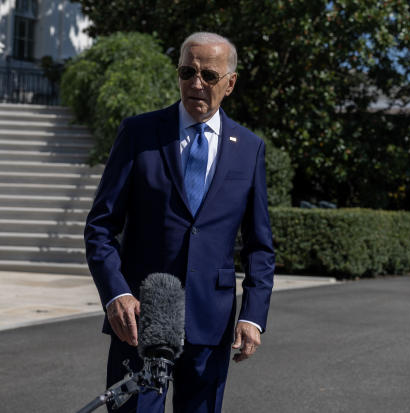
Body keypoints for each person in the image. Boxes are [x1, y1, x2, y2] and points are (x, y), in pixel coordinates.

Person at [84, 32, 275, 413]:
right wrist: (116, 293)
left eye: (208, 75)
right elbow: (100, 227)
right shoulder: (139, 133)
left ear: (230, 83)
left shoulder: (249, 148)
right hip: (140, 320)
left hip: (211, 322)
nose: (196, 83)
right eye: (188, 71)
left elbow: (259, 244)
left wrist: (253, 315)